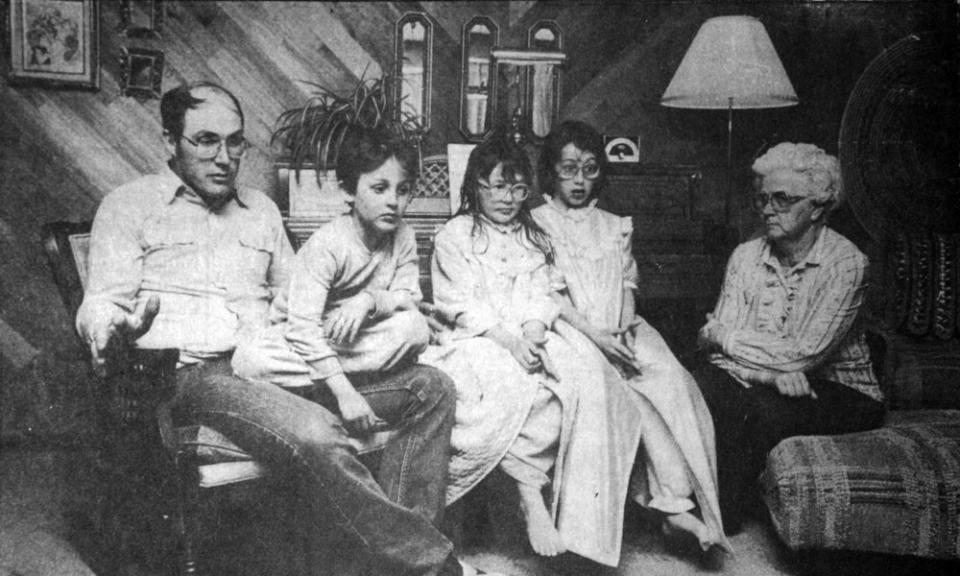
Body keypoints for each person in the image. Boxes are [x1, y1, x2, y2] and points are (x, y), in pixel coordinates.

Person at [76, 81, 506, 576]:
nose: (224, 157)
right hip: (198, 376)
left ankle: (392, 564)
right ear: (169, 141)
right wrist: (113, 327)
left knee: (431, 387)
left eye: (235, 142)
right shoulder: (128, 206)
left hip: (277, 361)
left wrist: (375, 310)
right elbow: (100, 304)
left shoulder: (259, 210)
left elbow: (298, 300)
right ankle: (433, 564)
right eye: (206, 140)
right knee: (315, 430)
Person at [531, 120, 730, 564]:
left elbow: (626, 284)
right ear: (552, 172)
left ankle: (679, 502)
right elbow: (552, 297)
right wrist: (600, 339)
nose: (579, 181)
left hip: (623, 327)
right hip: (576, 331)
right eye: (569, 170)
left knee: (670, 382)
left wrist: (622, 330)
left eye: (588, 169)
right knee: (615, 394)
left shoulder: (615, 224)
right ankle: (649, 514)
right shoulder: (539, 224)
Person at [420, 135, 601, 558]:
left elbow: (542, 294)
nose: (508, 198)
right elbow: (457, 305)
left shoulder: (533, 237)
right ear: (476, 185)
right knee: (512, 381)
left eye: (518, 189)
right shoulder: (456, 234)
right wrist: (510, 342)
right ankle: (529, 493)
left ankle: (554, 503)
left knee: (570, 381)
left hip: (526, 332)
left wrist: (534, 333)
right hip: (476, 338)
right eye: (497, 186)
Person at [693, 142, 885, 533]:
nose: (767, 208)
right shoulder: (746, 255)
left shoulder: (847, 264)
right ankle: (699, 506)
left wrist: (721, 335)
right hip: (766, 380)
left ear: (817, 206)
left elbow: (802, 355)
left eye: (782, 199)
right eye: (762, 197)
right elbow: (712, 355)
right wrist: (769, 374)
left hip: (838, 390)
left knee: (755, 410)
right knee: (698, 379)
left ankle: (717, 518)